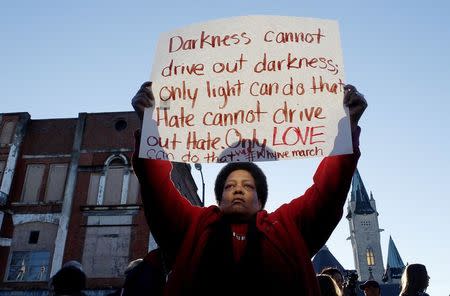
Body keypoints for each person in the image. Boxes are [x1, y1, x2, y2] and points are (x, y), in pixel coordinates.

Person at [131, 81, 367, 295]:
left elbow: (328, 191)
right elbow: (156, 189)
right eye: (229, 185)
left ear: (260, 200)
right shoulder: (191, 226)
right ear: (219, 198)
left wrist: (347, 128)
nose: (237, 190)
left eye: (248, 186)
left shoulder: (289, 226)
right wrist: (149, 126)